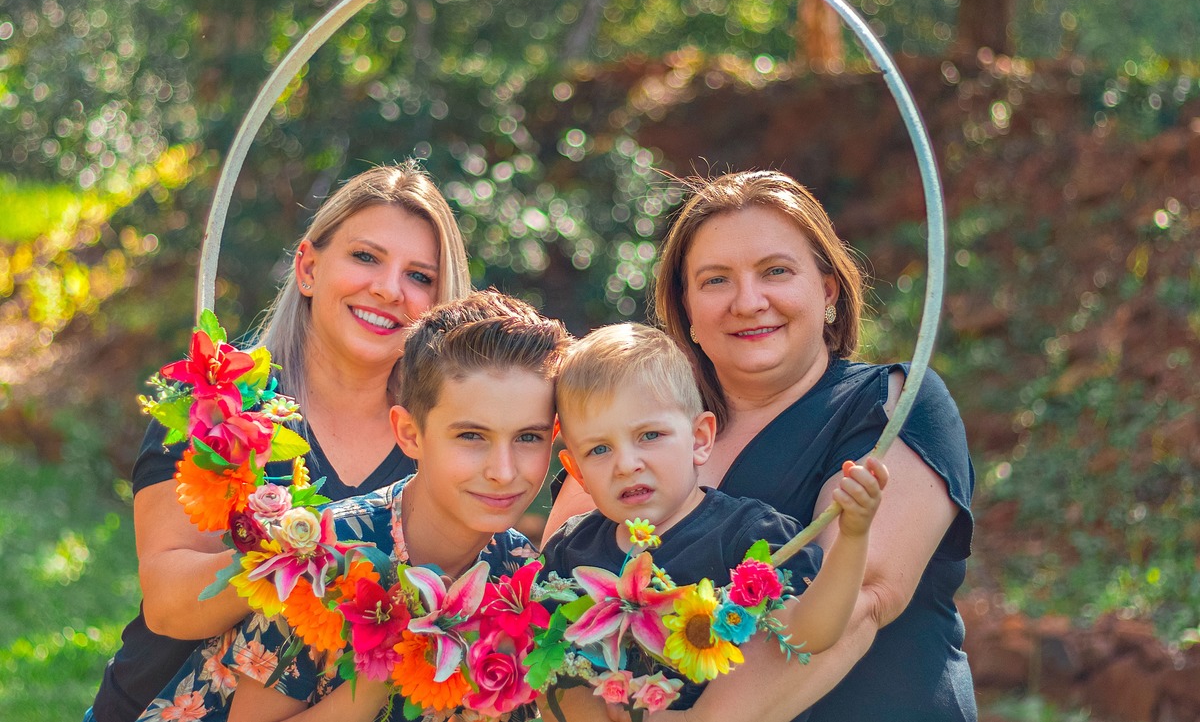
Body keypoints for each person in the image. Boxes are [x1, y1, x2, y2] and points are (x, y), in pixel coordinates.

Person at [546, 170, 976, 722]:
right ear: (688, 311)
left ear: (826, 290)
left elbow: (862, 599)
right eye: (716, 280)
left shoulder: (892, 403)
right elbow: (560, 595)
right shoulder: (632, 426)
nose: (748, 301)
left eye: (775, 271)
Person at [88, 161, 472, 722]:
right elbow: (169, 605)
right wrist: (297, 553)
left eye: (420, 276)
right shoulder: (218, 401)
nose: (389, 289)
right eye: (365, 257)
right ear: (309, 267)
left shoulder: (441, 438)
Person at [137, 289, 571, 722]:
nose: (503, 470)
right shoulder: (324, 556)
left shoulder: (523, 578)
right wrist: (382, 678)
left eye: (528, 437)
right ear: (410, 433)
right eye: (471, 436)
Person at [540, 322, 888, 715]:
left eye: (650, 436)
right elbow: (545, 667)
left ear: (700, 438)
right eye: (600, 449)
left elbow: (811, 632)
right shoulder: (569, 553)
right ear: (577, 471)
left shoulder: (748, 534)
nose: (626, 464)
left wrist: (853, 536)